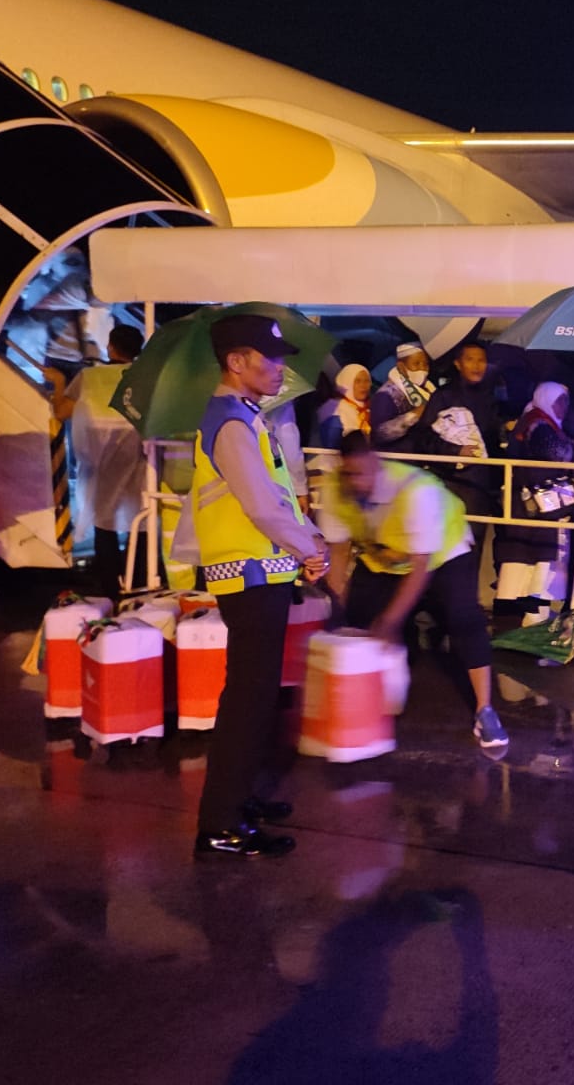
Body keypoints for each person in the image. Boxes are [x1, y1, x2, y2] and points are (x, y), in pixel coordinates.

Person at [186, 314, 328, 859]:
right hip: (247, 576)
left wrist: (306, 540)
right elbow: (261, 507)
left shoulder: (245, 417)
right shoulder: (230, 422)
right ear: (235, 361)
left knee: (254, 696)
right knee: (247, 700)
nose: (279, 368)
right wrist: (309, 548)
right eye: (269, 358)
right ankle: (220, 822)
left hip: (262, 572)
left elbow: (279, 498)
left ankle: (238, 799)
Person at [319, 432, 509, 752]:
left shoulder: (416, 491)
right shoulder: (335, 489)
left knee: (464, 619)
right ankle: (369, 700)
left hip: (443, 553)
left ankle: (485, 710)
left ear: (376, 464)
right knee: (356, 619)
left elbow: (420, 568)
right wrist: (335, 608)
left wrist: (390, 620)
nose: (356, 482)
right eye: (349, 474)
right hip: (385, 556)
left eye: (362, 473)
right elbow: (338, 553)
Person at [48, 324, 146, 600]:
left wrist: (58, 382)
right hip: (139, 461)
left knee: (104, 523)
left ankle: (111, 590)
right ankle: (140, 582)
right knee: (142, 522)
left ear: (110, 347)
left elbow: (61, 411)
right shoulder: (146, 377)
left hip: (100, 464)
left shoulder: (90, 377)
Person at [494, 382, 574, 625]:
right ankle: (535, 621)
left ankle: (527, 620)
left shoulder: (534, 421)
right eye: (559, 401)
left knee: (528, 563)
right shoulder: (538, 424)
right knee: (540, 564)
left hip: (531, 508)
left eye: (565, 401)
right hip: (539, 509)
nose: (564, 407)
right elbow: (559, 454)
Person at [417, 341, 504, 554]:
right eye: (470, 359)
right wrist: (456, 451)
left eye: (481, 360)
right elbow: (423, 437)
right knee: (448, 547)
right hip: (452, 482)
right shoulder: (444, 396)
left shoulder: (490, 397)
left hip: (481, 486)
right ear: (457, 364)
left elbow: (492, 441)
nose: (476, 365)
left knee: (474, 546)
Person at [370, 341, 434, 455]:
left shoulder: (429, 389)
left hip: (422, 456)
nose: (423, 369)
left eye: (425, 364)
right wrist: (413, 415)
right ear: (401, 367)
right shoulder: (386, 394)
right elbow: (380, 434)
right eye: (416, 363)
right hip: (395, 459)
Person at [313, 364, 372, 449]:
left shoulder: (370, 408)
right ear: (347, 383)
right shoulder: (333, 409)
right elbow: (332, 446)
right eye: (358, 381)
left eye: (367, 381)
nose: (363, 386)